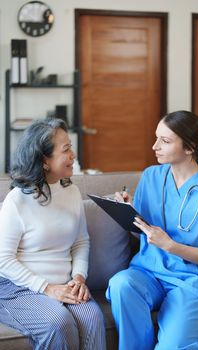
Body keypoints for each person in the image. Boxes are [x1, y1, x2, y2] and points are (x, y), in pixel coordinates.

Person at [106, 110, 198, 350]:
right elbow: (143, 233)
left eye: (165, 141)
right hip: (149, 272)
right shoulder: (151, 176)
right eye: (156, 138)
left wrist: (170, 246)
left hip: (194, 281)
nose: (155, 146)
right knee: (121, 284)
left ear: (190, 147)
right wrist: (128, 211)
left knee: (172, 346)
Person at [0, 118, 106, 350]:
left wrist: (78, 278)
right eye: (66, 149)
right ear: (44, 160)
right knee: (59, 322)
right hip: (19, 289)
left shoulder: (71, 192)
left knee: (93, 318)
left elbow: (80, 241)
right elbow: (3, 259)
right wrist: (47, 288)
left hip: (65, 283)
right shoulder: (17, 200)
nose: (74, 155)